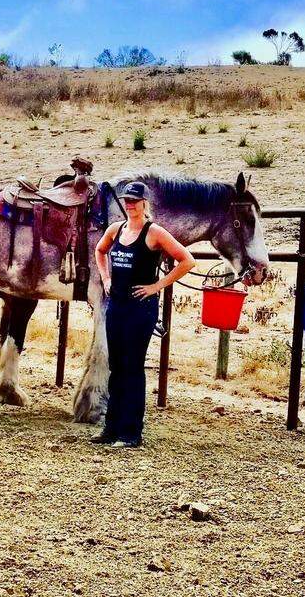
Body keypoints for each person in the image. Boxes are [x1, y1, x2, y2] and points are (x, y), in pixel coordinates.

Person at [91, 182, 196, 448]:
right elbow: (100, 250)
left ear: (144, 203)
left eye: (135, 201)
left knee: (133, 367)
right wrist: (105, 278)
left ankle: (131, 432)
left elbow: (187, 260)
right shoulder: (116, 230)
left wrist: (156, 286)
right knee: (116, 366)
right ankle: (111, 428)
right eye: (127, 200)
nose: (130, 204)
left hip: (141, 308)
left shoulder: (154, 232)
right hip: (117, 305)